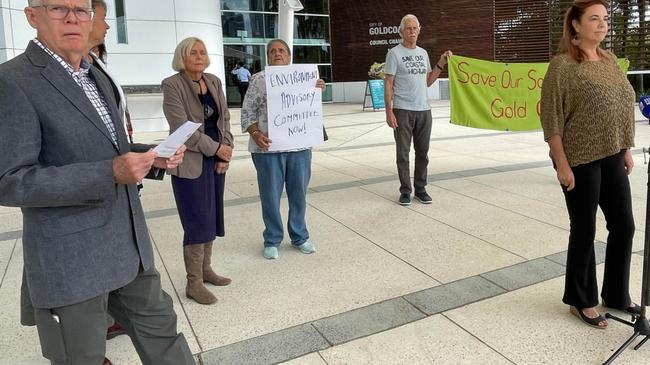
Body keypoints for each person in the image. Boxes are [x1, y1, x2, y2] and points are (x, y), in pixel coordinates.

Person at [0, 1, 194, 364]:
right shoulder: (12, 81)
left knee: (165, 339)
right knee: (81, 357)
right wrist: (109, 173)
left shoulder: (95, 74)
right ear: (32, 16)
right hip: (72, 260)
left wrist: (152, 157)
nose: (73, 18)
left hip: (129, 248)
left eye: (81, 10)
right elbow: (10, 181)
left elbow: (112, 149)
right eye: (59, 9)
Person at [540, 0, 640, 330]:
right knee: (584, 229)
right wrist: (561, 164)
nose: (602, 24)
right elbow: (551, 118)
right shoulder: (562, 66)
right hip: (579, 158)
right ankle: (581, 299)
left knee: (624, 225)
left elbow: (621, 104)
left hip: (612, 154)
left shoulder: (610, 60)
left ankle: (616, 294)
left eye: (605, 19)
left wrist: (624, 147)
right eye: (594, 19)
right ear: (576, 26)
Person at [162, 37, 233, 305]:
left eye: (202, 51)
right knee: (196, 219)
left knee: (212, 216)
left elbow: (224, 118)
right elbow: (181, 127)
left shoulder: (213, 81)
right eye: (193, 52)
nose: (199, 56)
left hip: (215, 159)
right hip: (190, 159)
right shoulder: (172, 85)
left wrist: (226, 150)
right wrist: (216, 149)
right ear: (182, 56)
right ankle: (194, 283)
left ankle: (205, 270)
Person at [240, 38, 325, 260]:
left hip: (299, 147)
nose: (277, 53)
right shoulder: (259, 79)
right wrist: (256, 134)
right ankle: (272, 239)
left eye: (281, 50)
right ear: (268, 57)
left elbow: (309, 109)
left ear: (289, 56)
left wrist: (317, 90)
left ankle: (300, 237)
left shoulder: (306, 78)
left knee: (299, 194)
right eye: (272, 51)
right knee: (270, 196)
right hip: (267, 150)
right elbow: (247, 112)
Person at [384, 14, 452, 206]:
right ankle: (405, 191)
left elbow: (428, 81)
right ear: (401, 31)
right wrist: (388, 111)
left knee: (423, 153)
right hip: (402, 109)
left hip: (424, 110)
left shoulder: (423, 53)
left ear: (419, 30)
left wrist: (441, 63)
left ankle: (420, 189)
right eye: (408, 28)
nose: (412, 31)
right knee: (403, 154)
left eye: (415, 28)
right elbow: (388, 83)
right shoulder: (394, 53)